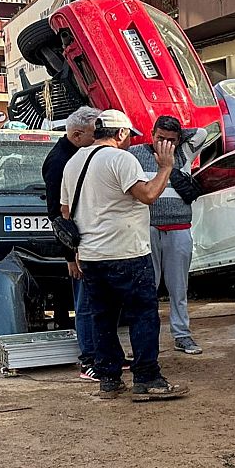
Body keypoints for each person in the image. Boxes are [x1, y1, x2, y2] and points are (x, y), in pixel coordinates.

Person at [60, 110, 189, 401]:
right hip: (127, 252)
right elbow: (148, 195)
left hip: (92, 256)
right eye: (129, 135)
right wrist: (165, 167)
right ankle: (147, 378)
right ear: (120, 133)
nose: (131, 141)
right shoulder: (121, 159)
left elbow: (66, 212)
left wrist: (76, 252)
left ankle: (109, 379)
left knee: (102, 317)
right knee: (143, 314)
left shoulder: (74, 162)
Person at [131, 116, 204, 355]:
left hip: (179, 228)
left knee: (178, 288)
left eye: (171, 140)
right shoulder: (135, 154)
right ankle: (145, 340)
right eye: (160, 138)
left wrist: (178, 142)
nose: (165, 144)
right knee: (145, 289)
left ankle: (182, 335)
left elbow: (203, 132)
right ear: (151, 135)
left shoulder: (184, 154)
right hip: (147, 228)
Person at [42, 106, 104, 380]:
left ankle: (102, 353)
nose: (99, 137)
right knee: (85, 303)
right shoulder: (60, 161)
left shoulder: (79, 153)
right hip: (78, 246)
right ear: (77, 134)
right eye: (95, 133)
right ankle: (89, 358)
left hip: (91, 242)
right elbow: (57, 215)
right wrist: (70, 255)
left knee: (97, 301)